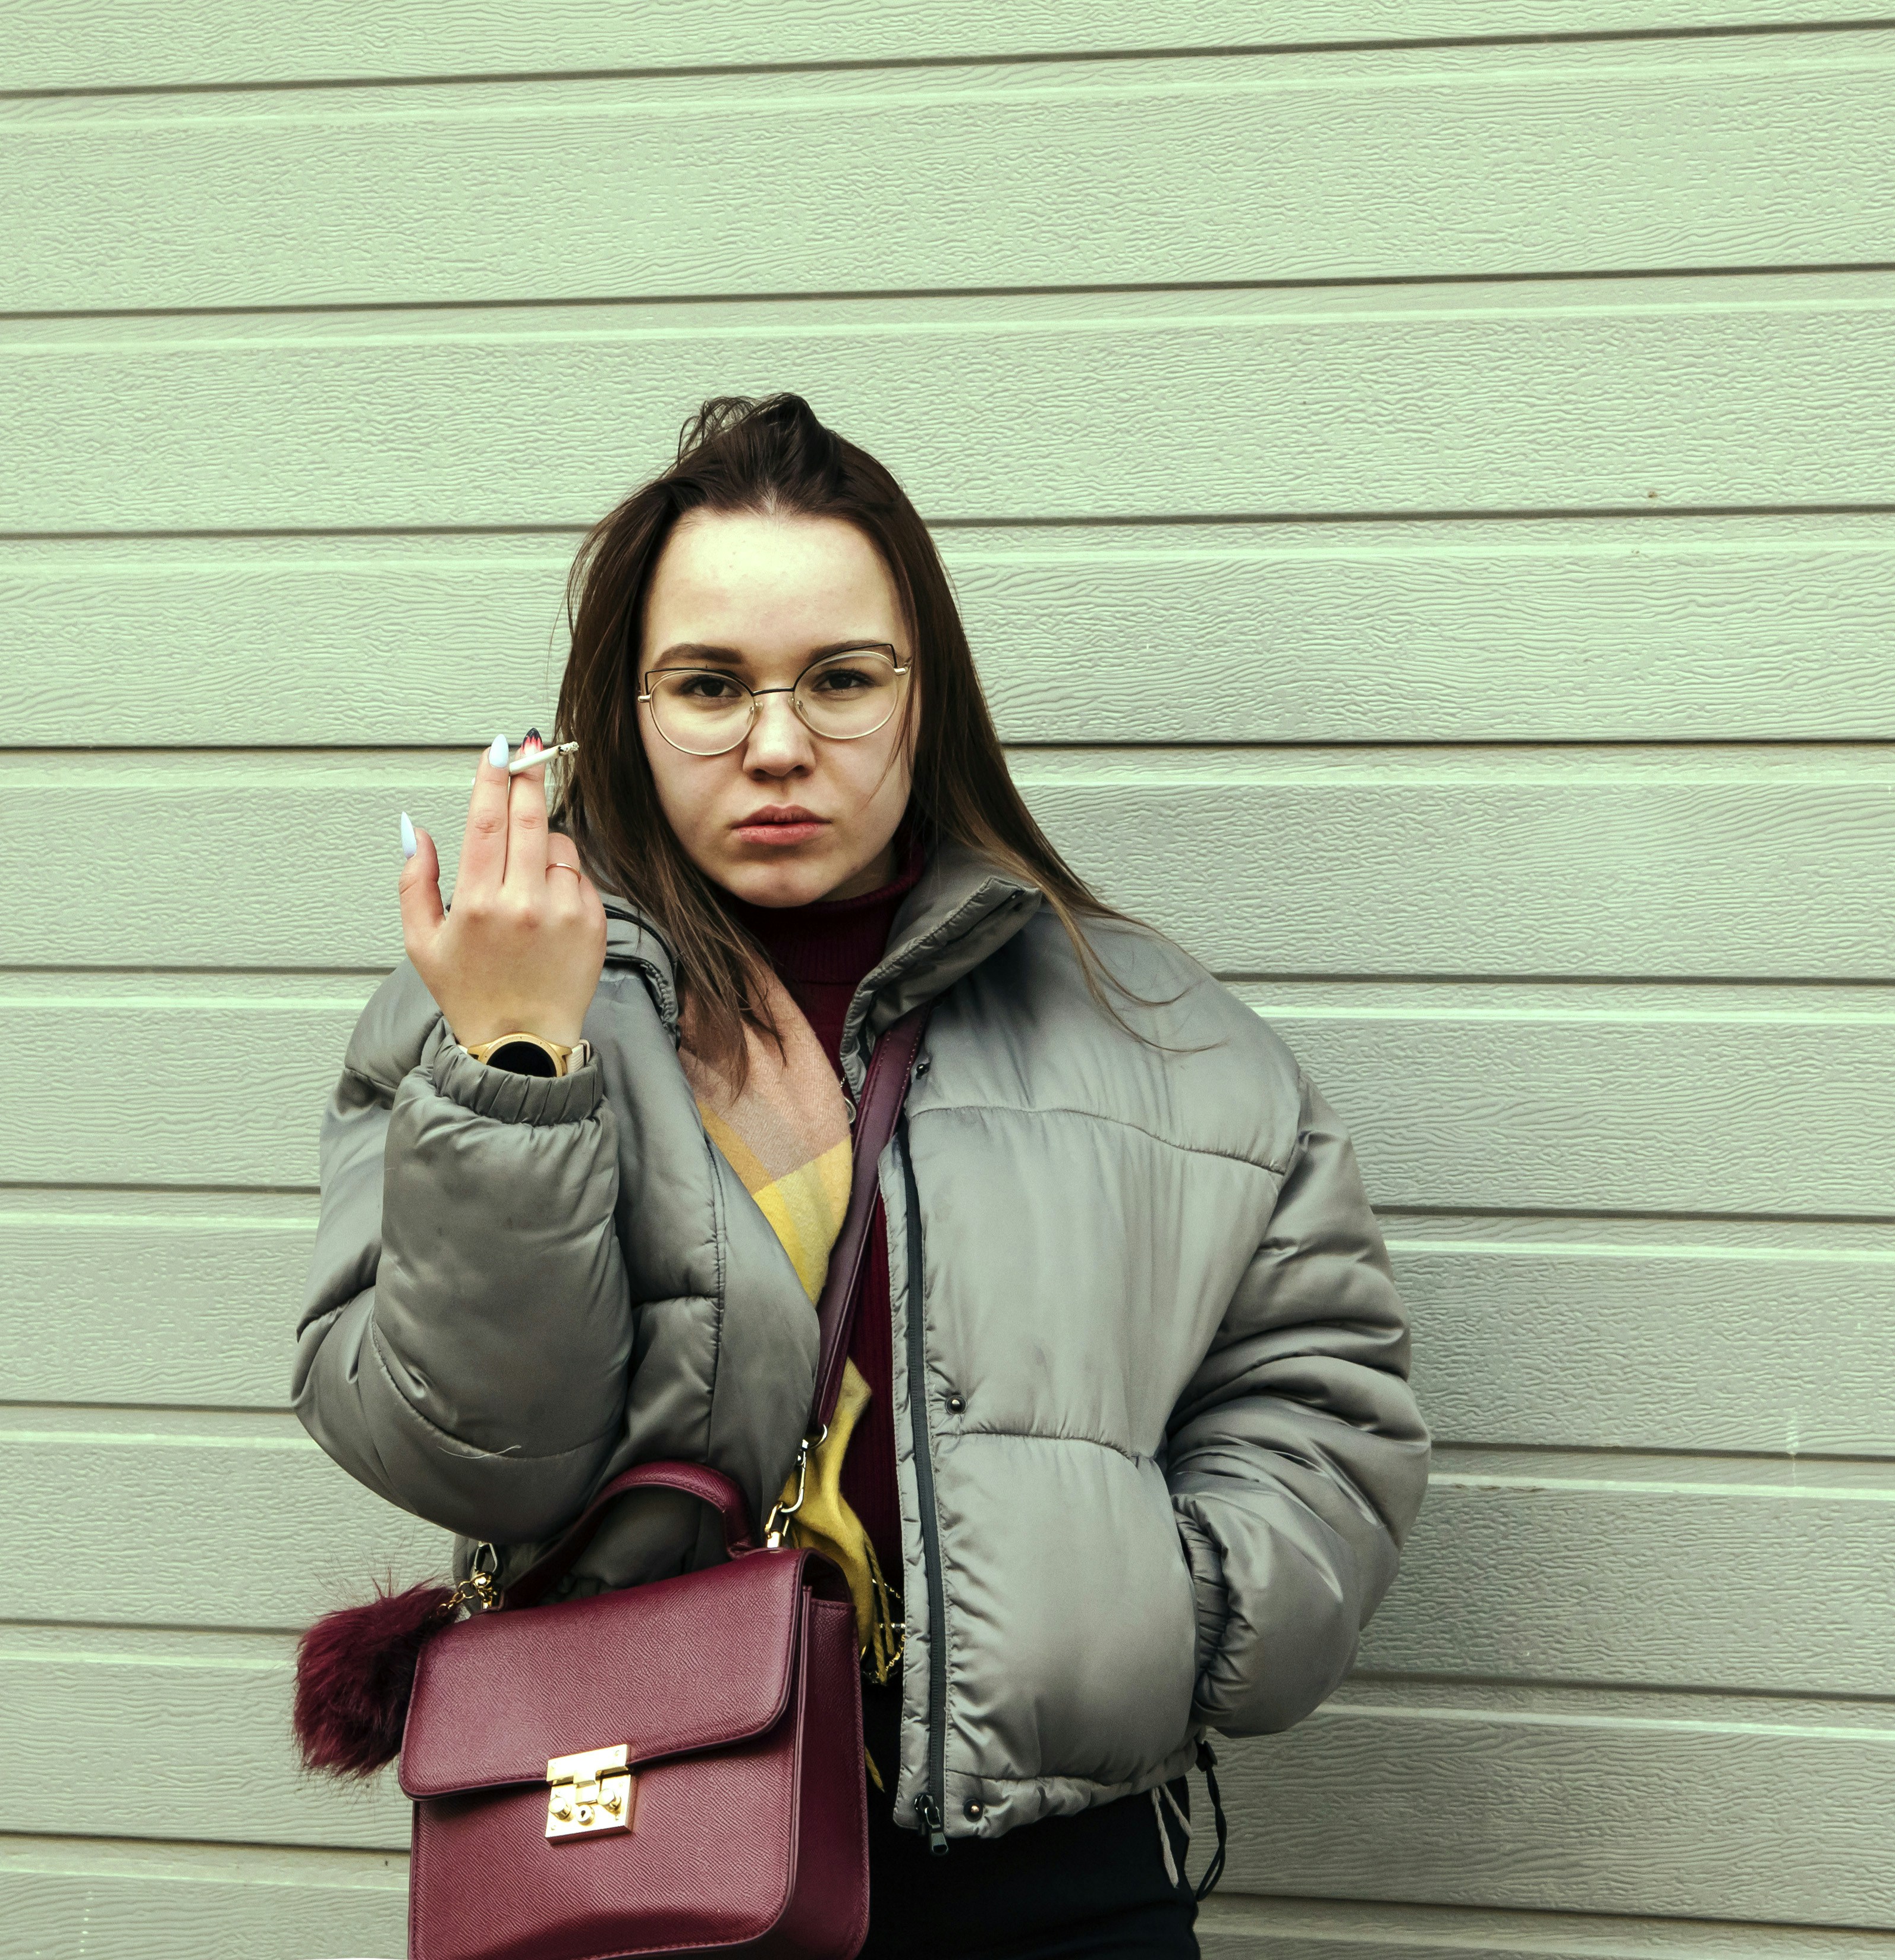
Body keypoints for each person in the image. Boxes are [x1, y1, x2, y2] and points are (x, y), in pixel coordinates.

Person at [294, 393, 1429, 1958]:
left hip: (1060, 1884)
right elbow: (470, 1453)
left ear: (927, 699)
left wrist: (1174, 1623)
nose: (777, 745)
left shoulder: (1161, 1038)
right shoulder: (478, 1023)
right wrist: (518, 1068)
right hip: (639, 1850)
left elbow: (1324, 1393)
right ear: (619, 713)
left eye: (841, 680)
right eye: (708, 685)